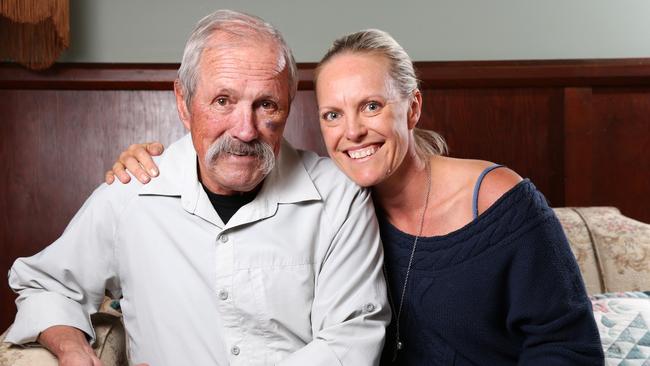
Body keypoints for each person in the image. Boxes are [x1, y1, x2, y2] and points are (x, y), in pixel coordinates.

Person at [109, 29, 605, 365]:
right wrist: (158, 166)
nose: (353, 133)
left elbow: (568, 347)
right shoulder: (330, 206)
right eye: (332, 115)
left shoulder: (498, 201)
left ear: (411, 109)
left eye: (371, 106)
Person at [5, 10, 391, 366]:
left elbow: (350, 340)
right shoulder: (132, 192)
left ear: (289, 106)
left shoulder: (340, 198)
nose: (244, 129)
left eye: (266, 105)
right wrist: (73, 348)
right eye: (223, 101)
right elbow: (44, 285)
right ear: (184, 104)